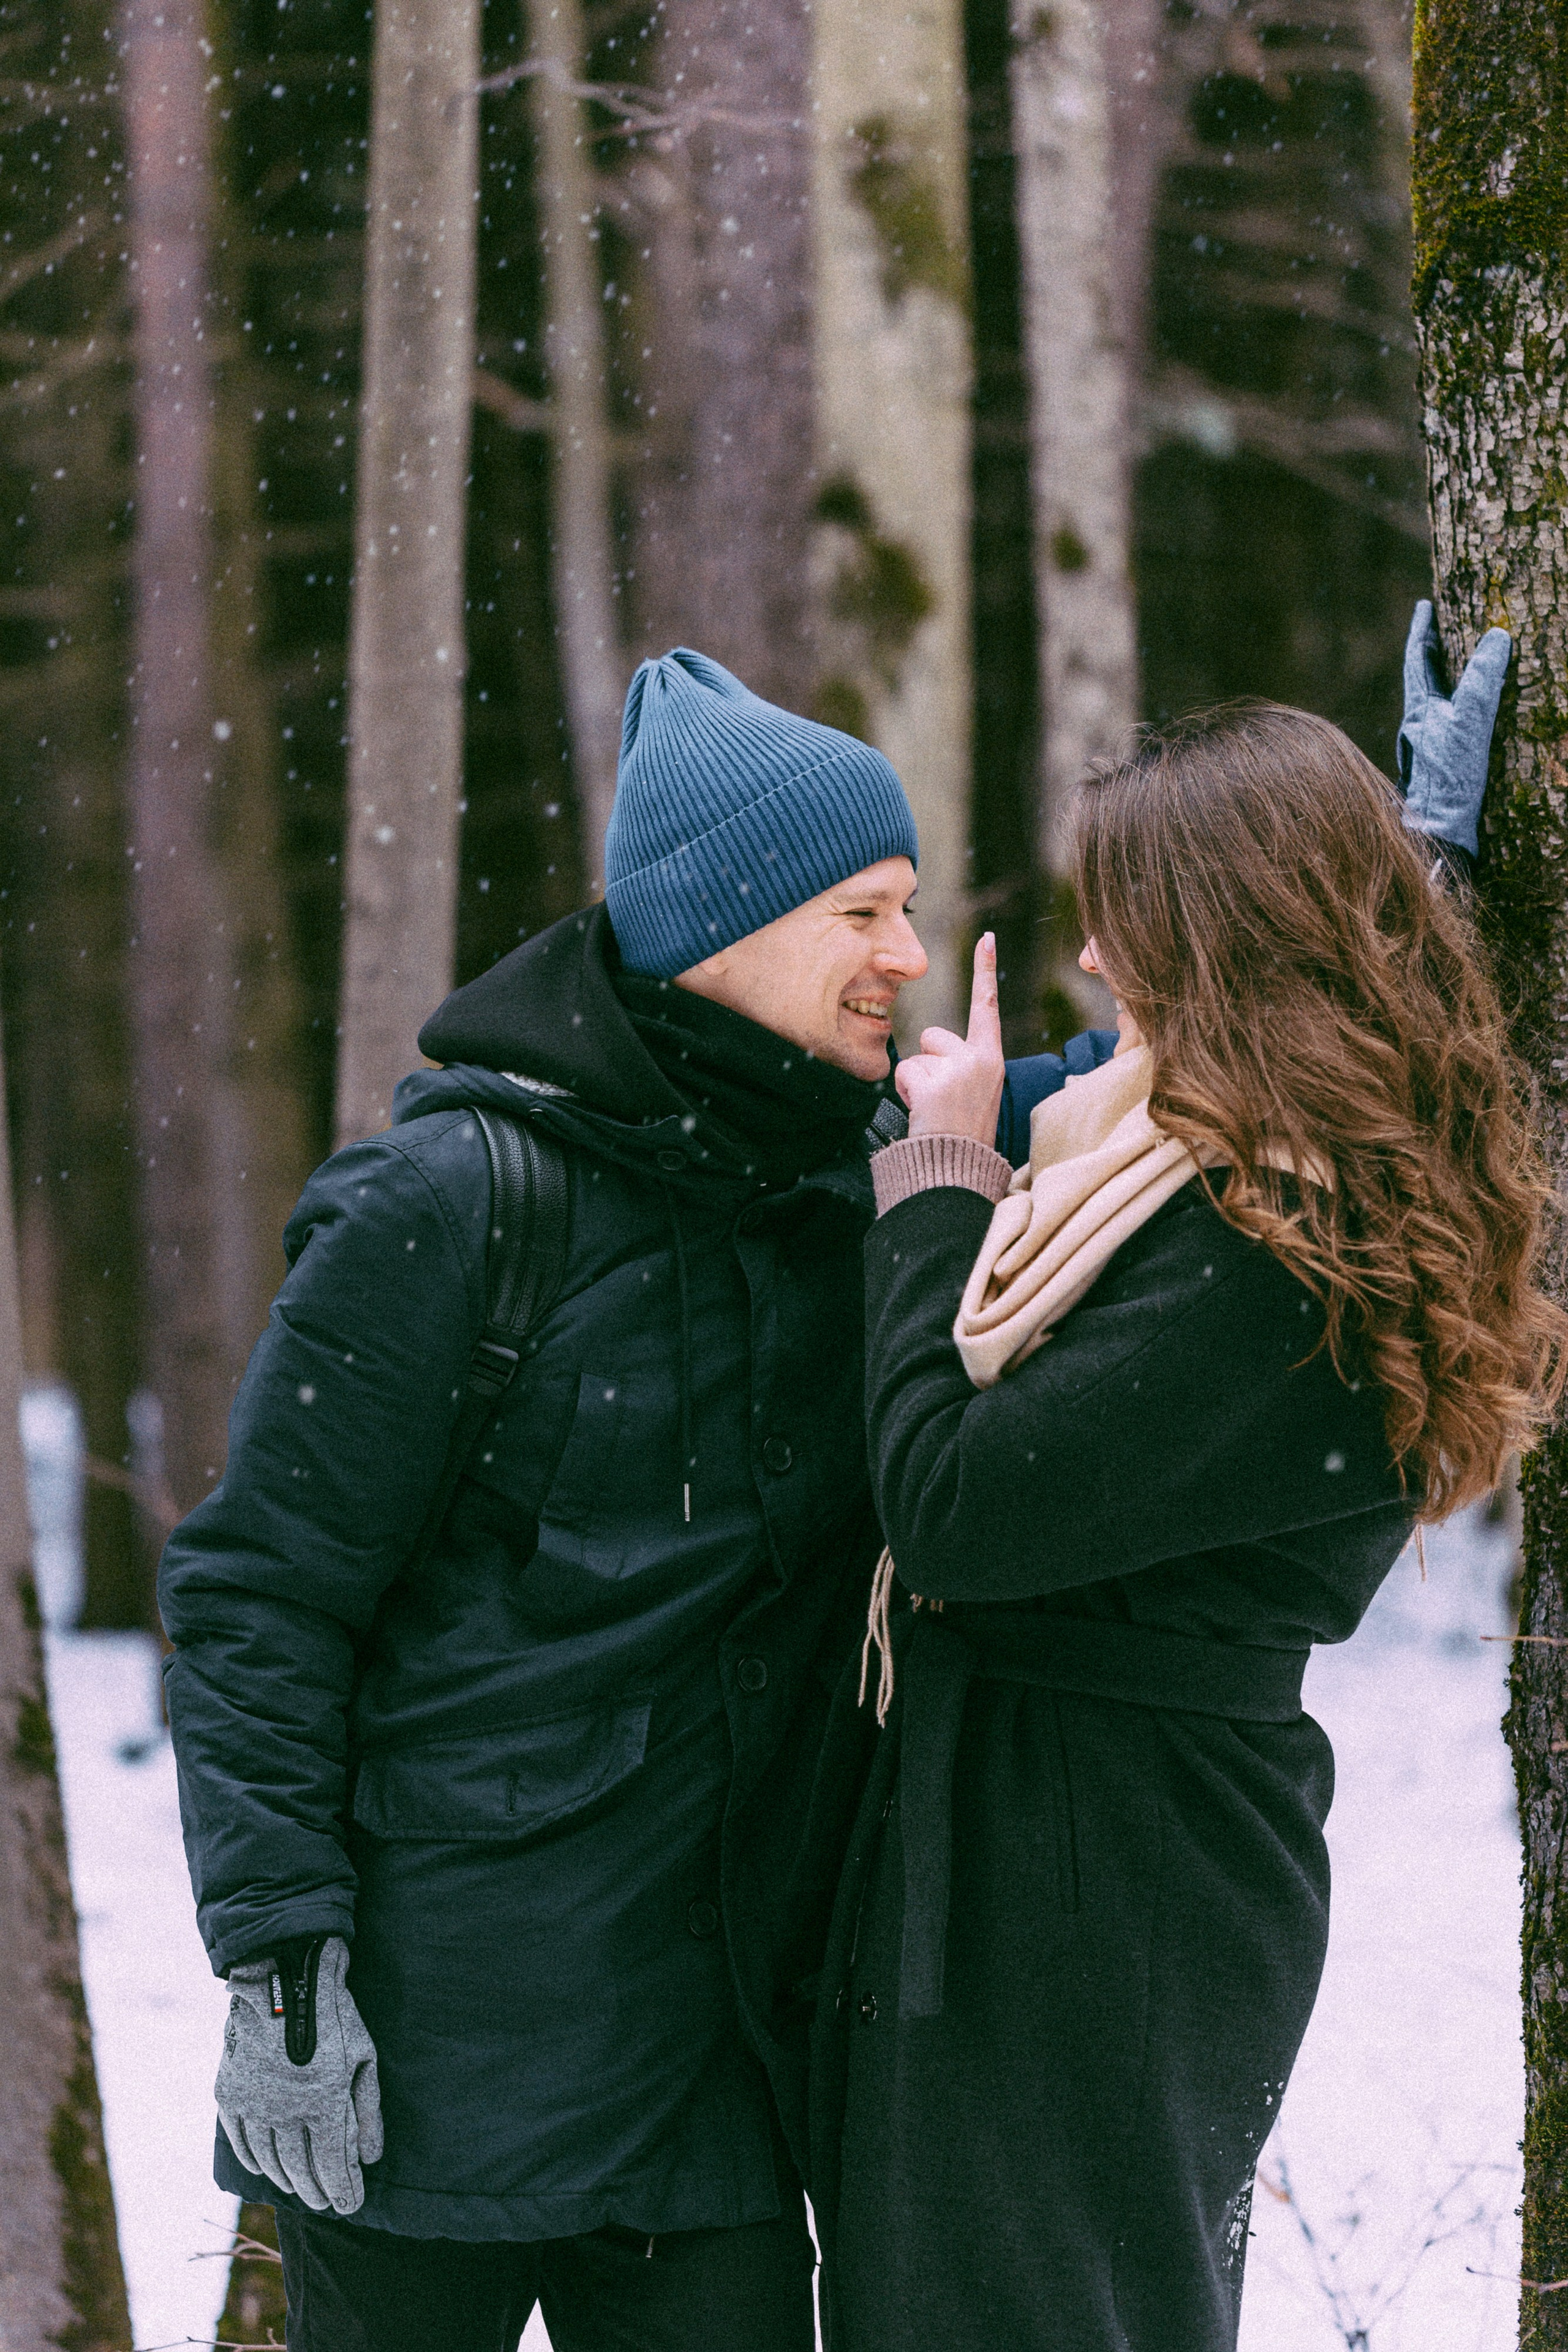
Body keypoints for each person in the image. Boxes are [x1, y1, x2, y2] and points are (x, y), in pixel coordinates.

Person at [159, 647, 943, 2352]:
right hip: (433, 2084)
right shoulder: (454, 1203)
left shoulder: (858, 1173)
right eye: (865, 913)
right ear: (726, 926)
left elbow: (1174, 1081)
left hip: (718, 2094)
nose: (910, 956)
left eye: (909, 909)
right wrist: (281, 1954)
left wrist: (1393, 884)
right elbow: (260, 1598)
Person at [804, 644, 1562, 2351]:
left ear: (1224, 950)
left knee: (1035, 2314)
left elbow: (956, 1513)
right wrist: (1416, 868)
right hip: (1068, 1833)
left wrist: (935, 1188)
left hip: (1105, 1878)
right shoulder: (1241, 1151)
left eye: (1124, 918)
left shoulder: (1273, 1259)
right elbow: (1105, 1092)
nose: (1087, 960)